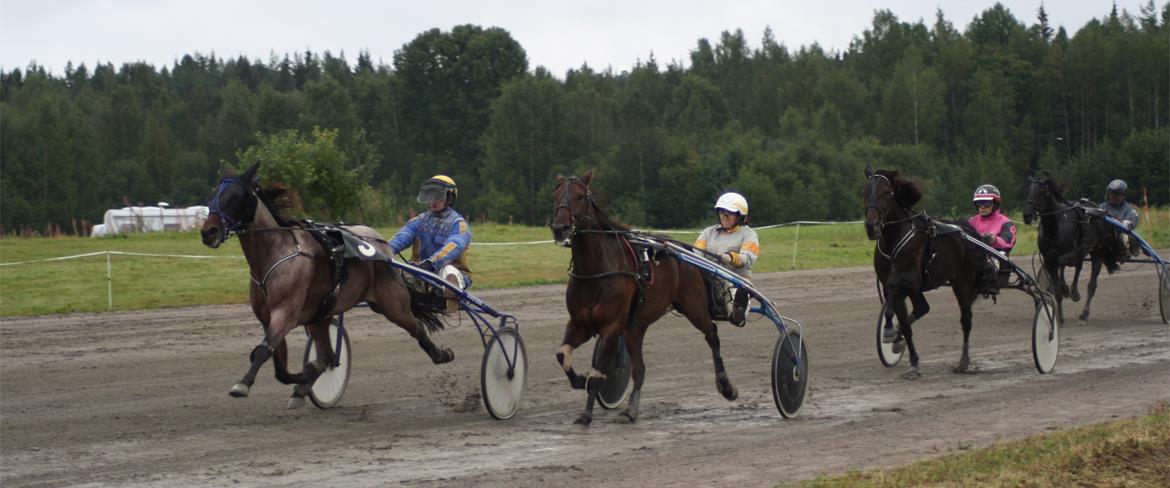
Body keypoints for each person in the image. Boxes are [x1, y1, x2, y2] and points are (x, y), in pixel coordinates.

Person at [390, 175, 472, 311]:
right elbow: (402, 237)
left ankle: (452, 291)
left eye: (438, 197)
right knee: (395, 271)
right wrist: (384, 250)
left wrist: (431, 263)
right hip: (420, 271)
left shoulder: (459, 224)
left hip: (446, 272)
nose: (433, 201)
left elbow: (455, 245)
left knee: (449, 271)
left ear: (449, 198)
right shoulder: (418, 221)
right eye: (430, 196)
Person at [694, 192, 759, 326]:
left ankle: (738, 309)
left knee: (734, 293)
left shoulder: (748, 234)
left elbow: (746, 258)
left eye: (729, 212)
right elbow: (696, 253)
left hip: (735, 280)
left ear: (740, 216)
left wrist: (729, 258)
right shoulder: (708, 232)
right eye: (722, 212)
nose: (724, 216)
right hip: (709, 277)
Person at [969, 184, 1016, 293]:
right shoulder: (972, 221)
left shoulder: (1005, 222)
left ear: (995, 203)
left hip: (994, 259)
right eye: (979, 203)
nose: (982, 207)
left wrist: (995, 240)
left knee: (1001, 254)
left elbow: (1009, 242)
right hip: (974, 257)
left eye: (986, 203)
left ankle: (992, 282)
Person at [1098, 179, 1141, 258]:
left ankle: (1124, 252)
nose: (1114, 196)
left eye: (1117, 193)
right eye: (1112, 193)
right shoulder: (1102, 206)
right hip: (1103, 235)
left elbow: (1131, 221)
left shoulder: (1129, 208)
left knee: (1125, 236)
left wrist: (1122, 222)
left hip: (1120, 234)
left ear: (1123, 195)